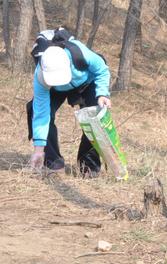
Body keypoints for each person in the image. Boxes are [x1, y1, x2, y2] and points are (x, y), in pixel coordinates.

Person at [26, 28, 112, 177]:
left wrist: (102, 94)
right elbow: (41, 114)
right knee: (34, 111)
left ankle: (89, 165)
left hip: (86, 83)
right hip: (54, 89)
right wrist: (38, 150)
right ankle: (53, 163)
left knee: (94, 117)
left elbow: (102, 70)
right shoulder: (41, 78)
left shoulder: (81, 54)